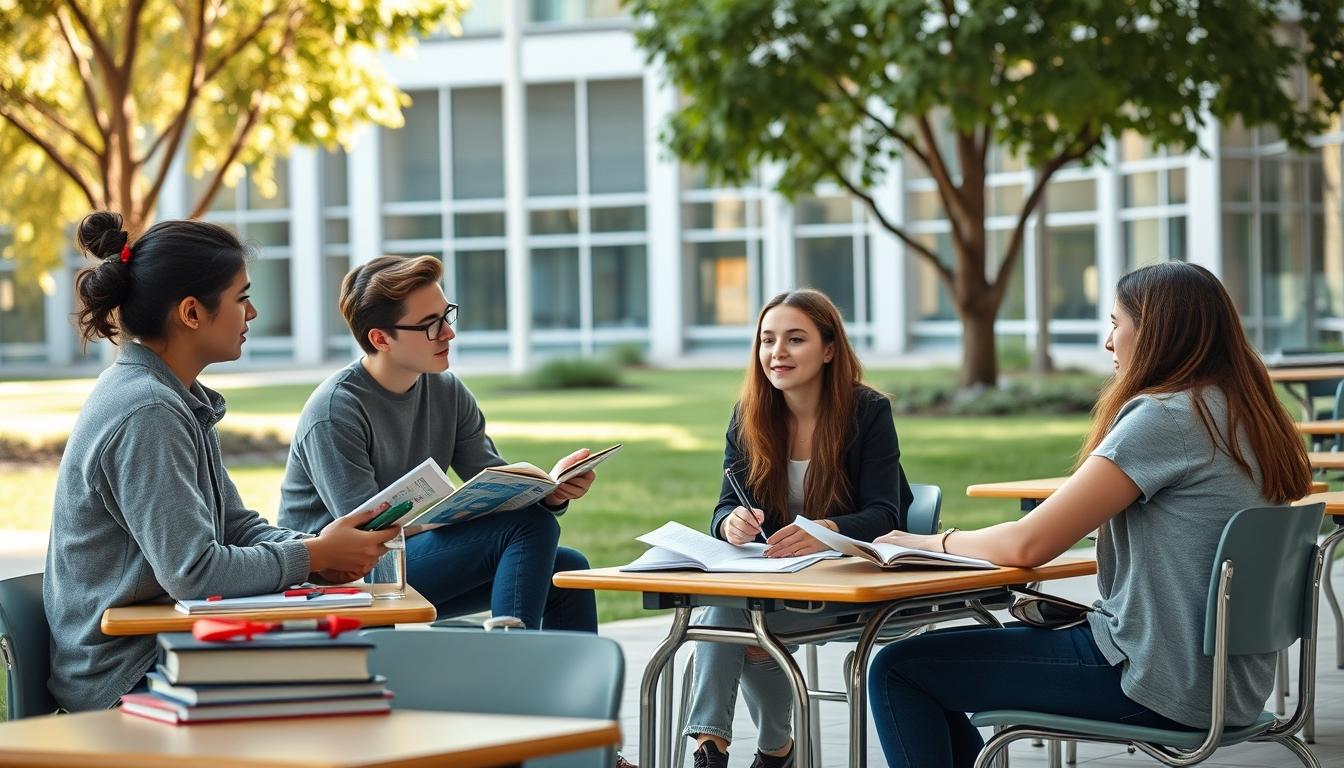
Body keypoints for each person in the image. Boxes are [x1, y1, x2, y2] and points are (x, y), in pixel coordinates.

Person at [866, 262, 1314, 768]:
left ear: (1156, 332)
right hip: (1227, 685)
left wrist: (930, 542)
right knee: (937, 666)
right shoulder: (1243, 414)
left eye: (1116, 323)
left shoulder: (1166, 416)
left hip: (1157, 681)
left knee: (898, 668)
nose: (1107, 342)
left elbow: (1028, 545)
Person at [46, 212, 395, 712]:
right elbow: (194, 572)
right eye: (241, 297)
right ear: (192, 312)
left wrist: (319, 552)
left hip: (171, 648)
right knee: (347, 692)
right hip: (129, 675)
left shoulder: (171, 397)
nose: (252, 312)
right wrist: (314, 556)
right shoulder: (148, 412)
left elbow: (235, 526)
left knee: (357, 674)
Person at [278, 255, 598, 632]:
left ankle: (565, 670)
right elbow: (364, 535)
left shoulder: (447, 391)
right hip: (337, 577)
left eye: (447, 316)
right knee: (528, 526)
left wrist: (551, 494)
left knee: (568, 570)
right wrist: (447, 518)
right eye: (430, 325)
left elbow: (498, 484)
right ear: (381, 339)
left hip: (405, 558)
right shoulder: (335, 410)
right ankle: (512, 654)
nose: (448, 333)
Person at [684, 289, 915, 768]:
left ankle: (762, 752)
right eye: (767, 340)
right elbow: (725, 504)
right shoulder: (749, 415)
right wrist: (730, 523)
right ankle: (719, 750)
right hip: (776, 585)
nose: (777, 353)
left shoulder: (867, 412)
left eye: (795, 339)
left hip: (849, 588)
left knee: (729, 621)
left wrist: (826, 529)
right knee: (730, 616)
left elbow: (886, 515)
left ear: (829, 349)